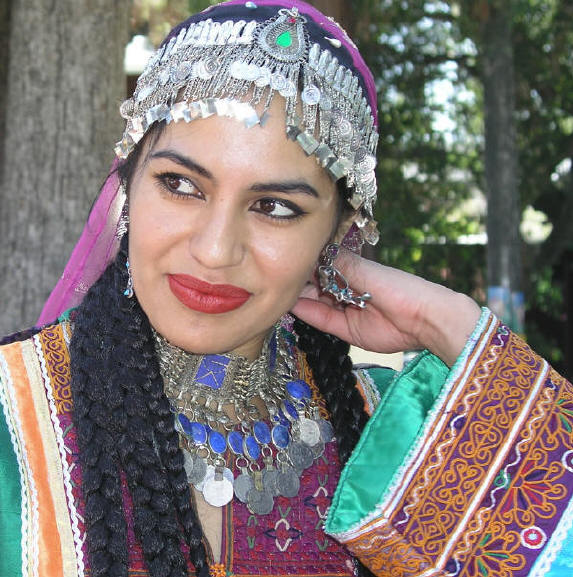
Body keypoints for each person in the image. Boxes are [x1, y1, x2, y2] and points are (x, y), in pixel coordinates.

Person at [0, 1, 571, 576]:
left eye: (274, 207)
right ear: (128, 182)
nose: (216, 250)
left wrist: (450, 327)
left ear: (338, 231)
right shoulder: (10, 415)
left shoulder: (395, 436)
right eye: (180, 184)